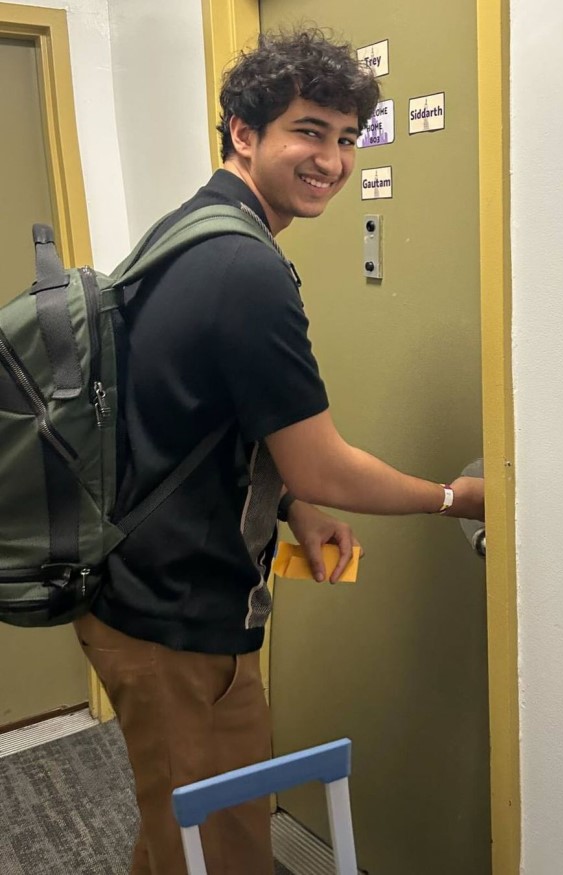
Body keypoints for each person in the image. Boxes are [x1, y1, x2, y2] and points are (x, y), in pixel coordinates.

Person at [74, 28, 485, 875]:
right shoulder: (243, 267)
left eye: (344, 138)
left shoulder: (195, 231)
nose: (331, 160)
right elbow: (322, 458)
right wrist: (453, 499)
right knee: (217, 847)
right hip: (172, 618)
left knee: (187, 826)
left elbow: (219, 416)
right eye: (309, 130)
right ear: (244, 132)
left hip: (161, 599)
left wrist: (298, 508)